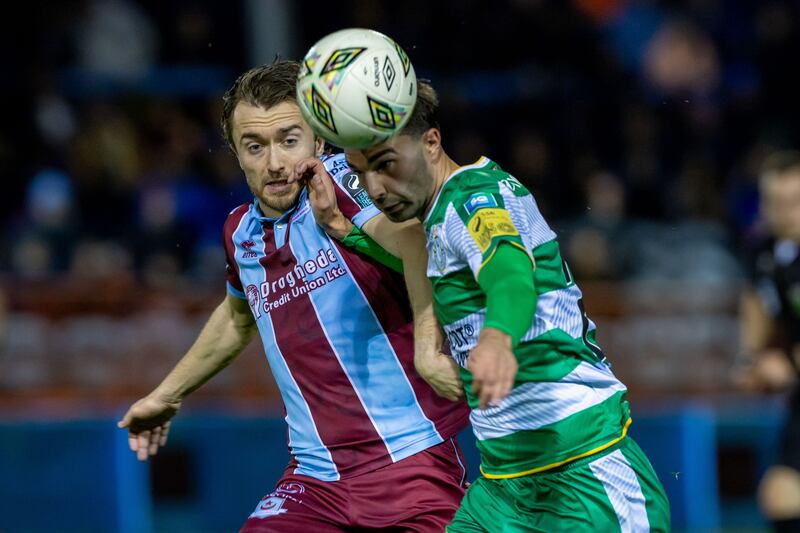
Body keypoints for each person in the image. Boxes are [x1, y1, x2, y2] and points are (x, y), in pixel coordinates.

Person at [117, 61, 470, 532]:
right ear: (236, 154)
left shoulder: (346, 180)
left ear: (319, 140)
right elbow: (239, 317)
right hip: (315, 479)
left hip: (409, 461)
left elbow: (413, 239)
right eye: (255, 147)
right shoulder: (239, 232)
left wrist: (428, 350)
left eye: (289, 139)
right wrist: (167, 395)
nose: (275, 163)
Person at [333, 81, 671, 532]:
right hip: (503, 487)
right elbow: (424, 259)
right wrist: (344, 227)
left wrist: (497, 337)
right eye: (361, 173)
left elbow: (510, 272)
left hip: (583, 474)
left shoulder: (475, 195)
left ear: (431, 142)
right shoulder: (437, 218)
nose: (374, 187)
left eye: (386, 164)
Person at [735, 151, 800, 533]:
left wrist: (787, 366)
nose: (784, 212)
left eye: (794, 202)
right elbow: (755, 300)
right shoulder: (764, 251)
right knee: (781, 494)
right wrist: (750, 359)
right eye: (774, 202)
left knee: (782, 493)